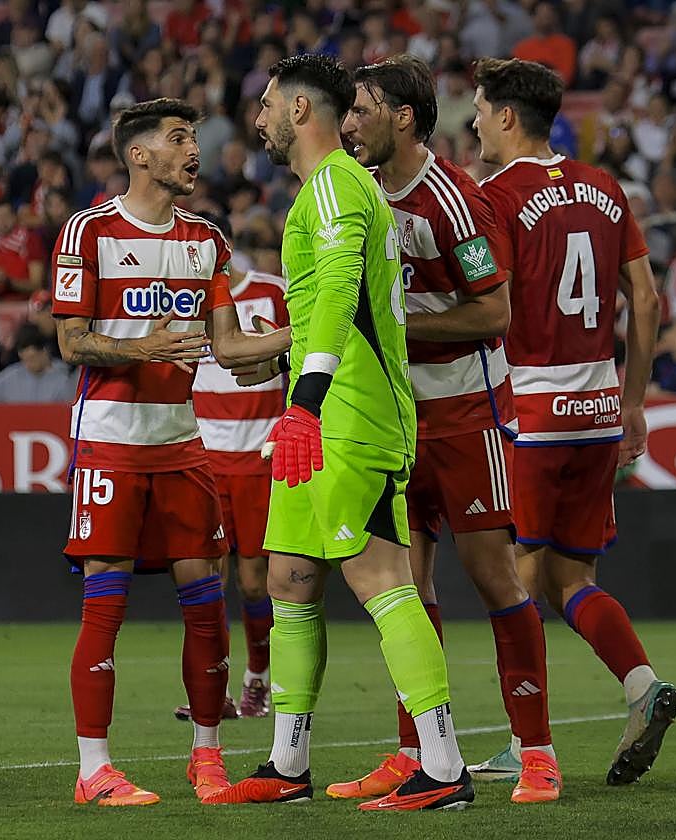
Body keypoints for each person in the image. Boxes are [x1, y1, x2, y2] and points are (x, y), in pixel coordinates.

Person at [205, 54, 471, 812]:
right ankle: (288, 765)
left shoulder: (335, 185)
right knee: (288, 580)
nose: (257, 118)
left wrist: (305, 400)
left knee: (382, 579)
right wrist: (287, 361)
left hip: (349, 418)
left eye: (265, 104)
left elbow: (341, 296)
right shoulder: (328, 189)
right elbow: (335, 309)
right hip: (322, 414)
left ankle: (443, 766)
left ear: (298, 110)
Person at [333, 55, 557, 806]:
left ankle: (537, 753)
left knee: (494, 577)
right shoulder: (359, 191)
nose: (349, 123)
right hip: (395, 415)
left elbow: (494, 312)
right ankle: (419, 754)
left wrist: (396, 324)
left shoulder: (453, 201)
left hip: (466, 413)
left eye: (362, 109)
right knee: (406, 584)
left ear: (403, 118)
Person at [54, 97, 291, 807]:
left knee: (205, 600)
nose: (194, 150)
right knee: (107, 601)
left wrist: (300, 334)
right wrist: (144, 348)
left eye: (193, 138)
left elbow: (230, 347)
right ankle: (94, 769)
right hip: (111, 442)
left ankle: (207, 756)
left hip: (184, 445)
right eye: (179, 138)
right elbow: (72, 342)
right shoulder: (89, 231)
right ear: (139, 154)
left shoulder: (206, 239)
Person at [472, 58, 676, 786]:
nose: (475, 125)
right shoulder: (604, 187)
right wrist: (633, 400)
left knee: (518, 580)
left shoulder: (496, 197)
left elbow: (491, 306)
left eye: (479, 111)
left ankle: (526, 742)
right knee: (571, 577)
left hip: (530, 412)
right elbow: (646, 299)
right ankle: (642, 686)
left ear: (507, 117)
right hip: (596, 409)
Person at [178, 263, 288, 721]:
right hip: (204, 460)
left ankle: (257, 678)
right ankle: (213, 692)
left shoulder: (272, 292)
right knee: (207, 580)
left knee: (253, 582)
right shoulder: (184, 298)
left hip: (259, 460)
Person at [0, 323, 75, 403]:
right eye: (25, 359)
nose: (29, 364)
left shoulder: (63, 378)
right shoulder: (12, 375)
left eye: (33, 358)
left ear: (45, 351)